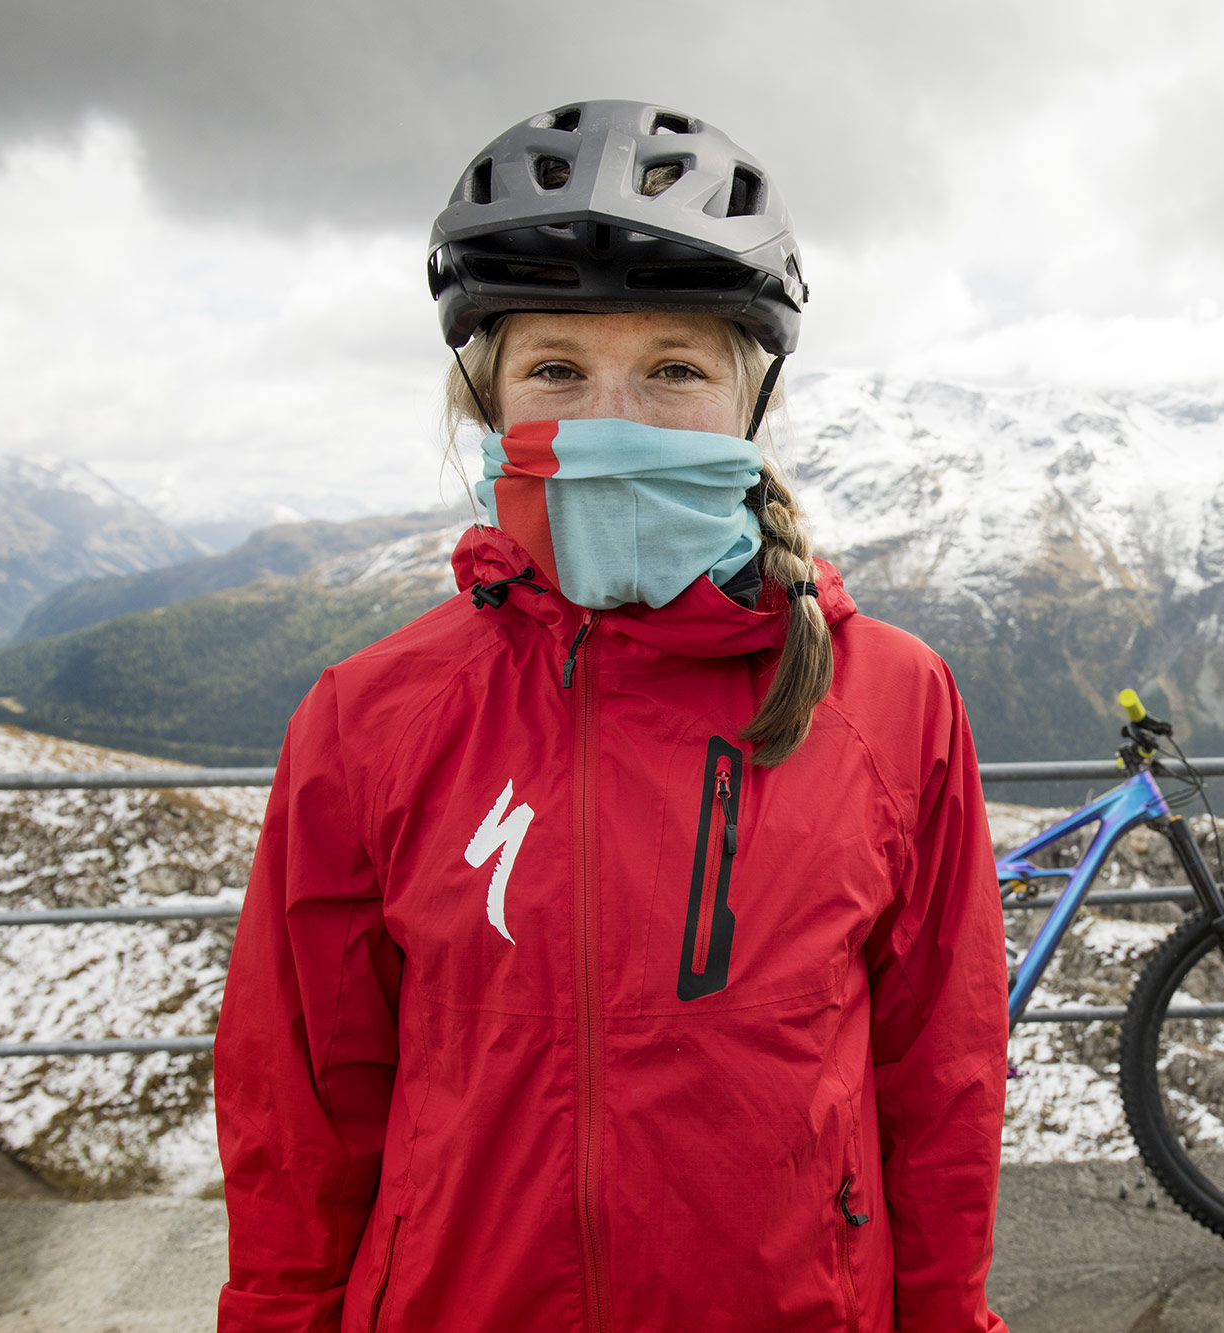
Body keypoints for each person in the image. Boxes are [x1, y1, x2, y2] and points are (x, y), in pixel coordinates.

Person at [213, 100, 1010, 1333]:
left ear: (751, 402)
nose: (610, 421)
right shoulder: (368, 717)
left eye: (674, 369)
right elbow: (300, 1103)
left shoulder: (892, 701)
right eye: (555, 371)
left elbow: (939, 1077)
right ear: (488, 403)